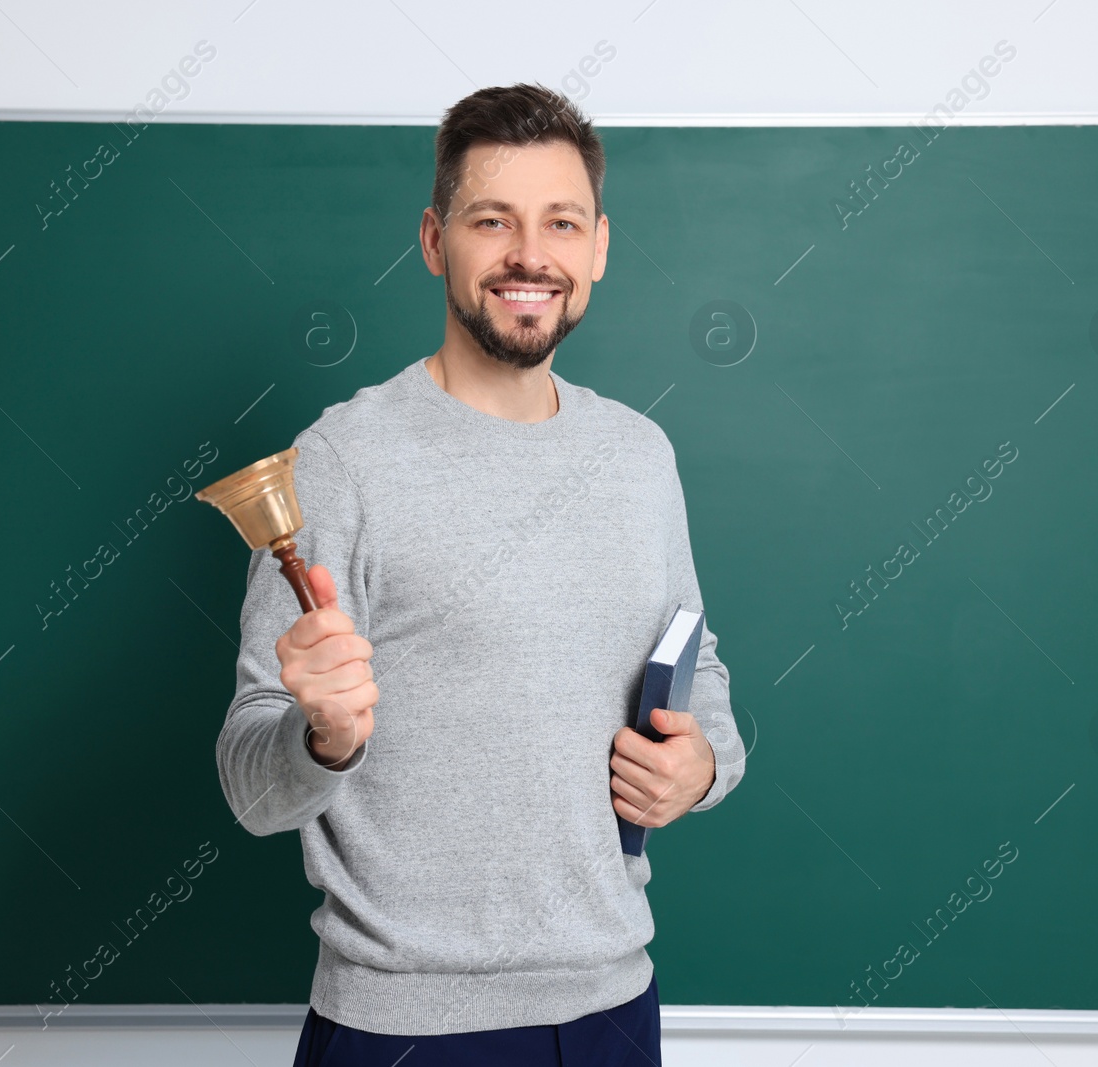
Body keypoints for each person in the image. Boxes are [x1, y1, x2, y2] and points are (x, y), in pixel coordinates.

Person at [215, 81, 747, 1067]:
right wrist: (321, 736)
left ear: (597, 246)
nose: (528, 256)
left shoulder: (639, 456)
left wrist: (703, 765)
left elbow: (699, 672)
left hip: (613, 1008)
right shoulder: (341, 461)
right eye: (491, 220)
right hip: (401, 1030)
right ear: (432, 240)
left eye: (560, 223)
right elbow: (252, 783)